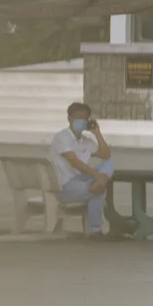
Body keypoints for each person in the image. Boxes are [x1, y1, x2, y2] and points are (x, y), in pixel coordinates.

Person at [48, 102, 115, 240]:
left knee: (108, 164)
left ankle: (99, 184)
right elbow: (74, 162)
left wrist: (97, 133)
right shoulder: (62, 138)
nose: (81, 121)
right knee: (98, 191)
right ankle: (95, 231)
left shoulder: (86, 141)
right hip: (65, 186)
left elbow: (106, 155)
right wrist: (96, 175)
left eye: (84, 119)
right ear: (69, 119)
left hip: (82, 181)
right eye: (77, 118)